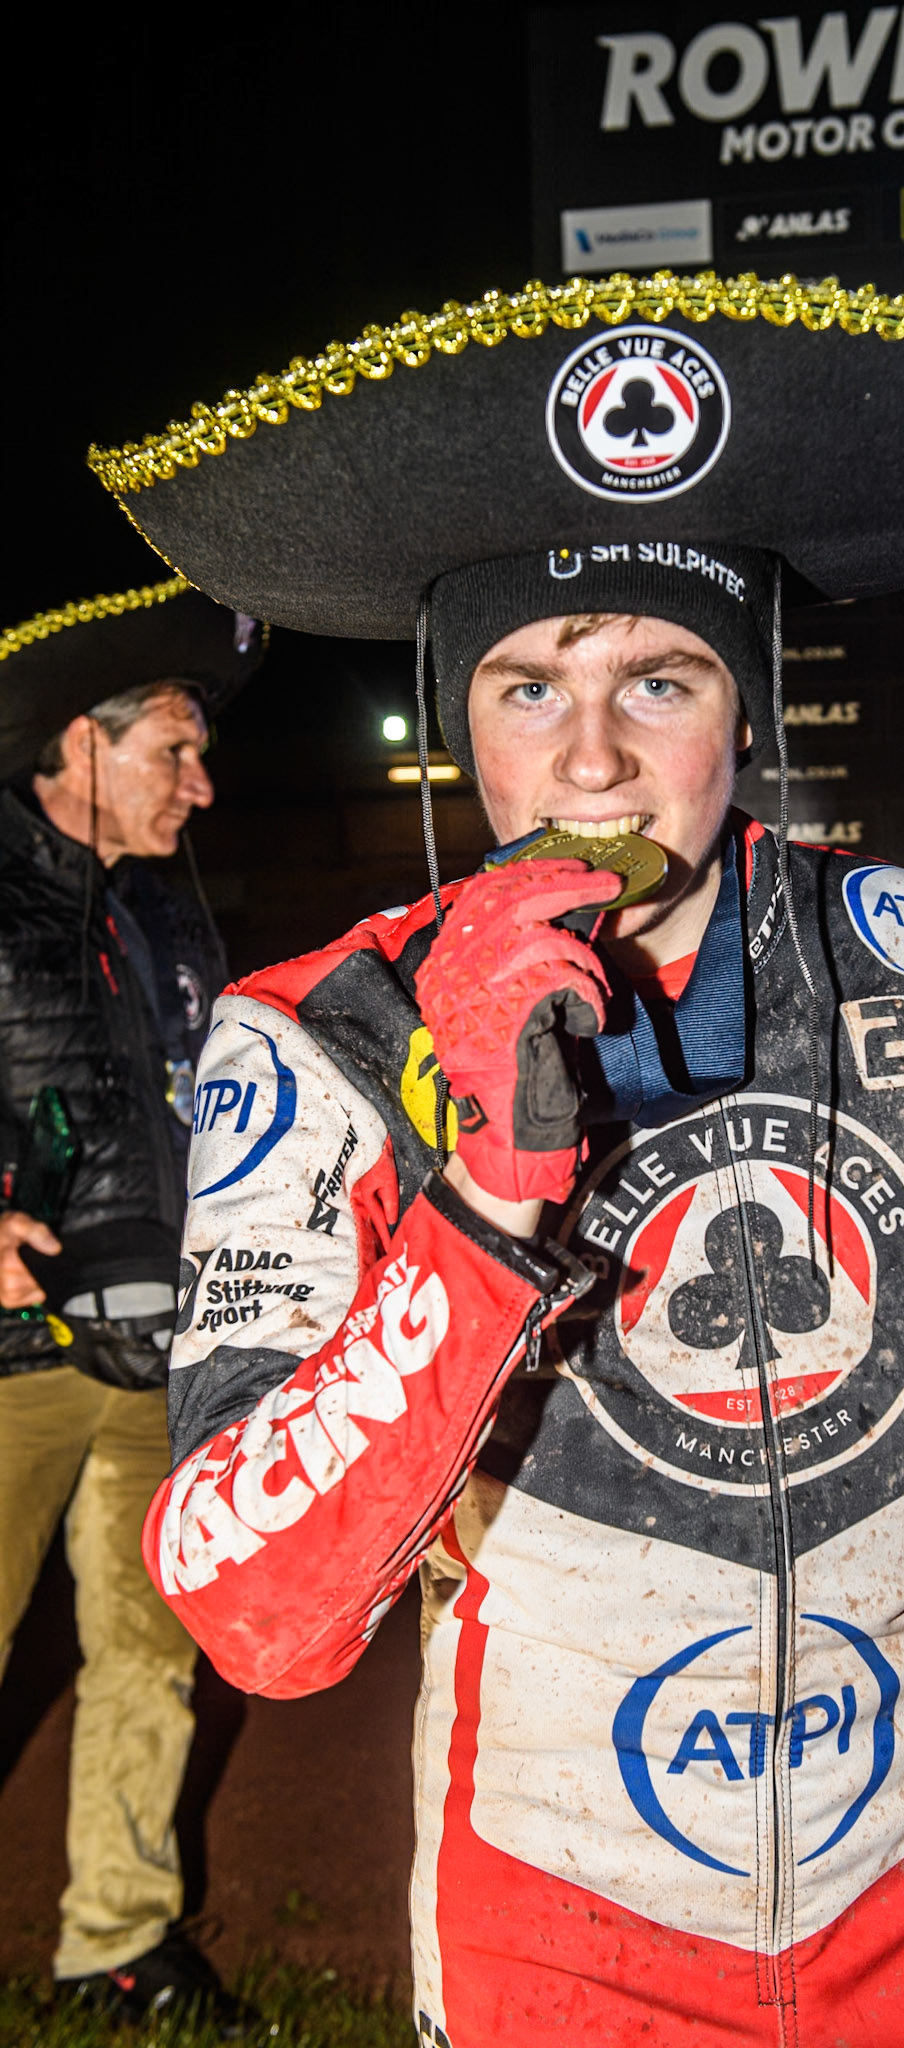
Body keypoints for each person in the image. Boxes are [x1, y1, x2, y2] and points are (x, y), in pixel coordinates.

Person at [93, 273, 904, 2045]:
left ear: (749, 709)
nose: (593, 756)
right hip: (559, 1915)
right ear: (456, 722)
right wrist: (490, 1197)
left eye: (660, 676)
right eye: (523, 686)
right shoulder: (317, 1033)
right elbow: (257, 1618)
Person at [0, 575, 261, 2033]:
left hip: (157, 1358)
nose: (202, 785)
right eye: (174, 748)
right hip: (7, 1363)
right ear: (79, 748)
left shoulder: (166, 915)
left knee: (151, 1662)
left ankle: (118, 1940)